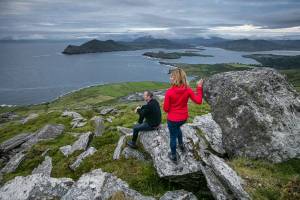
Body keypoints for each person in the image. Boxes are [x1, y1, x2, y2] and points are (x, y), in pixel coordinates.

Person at [163, 68, 203, 162]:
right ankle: (181, 145)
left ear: (176, 78)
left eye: (172, 76)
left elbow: (166, 109)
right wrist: (199, 87)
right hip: (183, 118)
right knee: (177, 129)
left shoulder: (169, 92)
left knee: (172, 137)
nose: (170, 77)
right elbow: (198, 101)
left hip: (173, 119)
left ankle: (173, 156)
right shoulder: (188, 90)